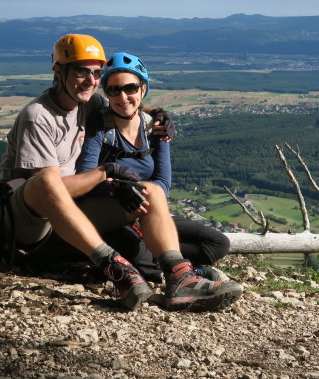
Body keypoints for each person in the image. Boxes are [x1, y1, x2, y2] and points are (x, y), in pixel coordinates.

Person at [0, 34, 242, 312]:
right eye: (80, 71)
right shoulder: (38, 115)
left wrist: (158, 113)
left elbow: (125, 104)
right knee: (47, 180)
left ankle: (181, 276)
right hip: (29, 225)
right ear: (59, 71)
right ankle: (116, 267)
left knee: (151, 191)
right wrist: (106, 173)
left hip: (71, 218)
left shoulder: (87, 103)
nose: (90, 80)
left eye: (96, 73)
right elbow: (51, 191)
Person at [77, 52, 231, 284]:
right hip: (111, 212)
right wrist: (117, 189)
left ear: (143, 89)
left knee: (217, 244)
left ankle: (169, 263)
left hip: (147, 209)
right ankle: (180, 272)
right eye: (113, 90)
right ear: (106, 94)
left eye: (130, 88)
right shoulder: (100, 127)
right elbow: (85, 177)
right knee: (141, 259)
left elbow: (163, 183)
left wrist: (140, 195)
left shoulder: (155, 129)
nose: (122, 96)